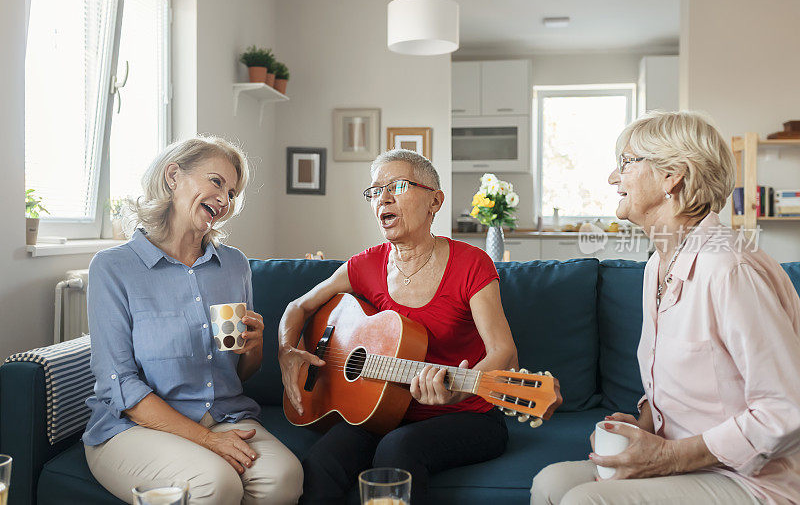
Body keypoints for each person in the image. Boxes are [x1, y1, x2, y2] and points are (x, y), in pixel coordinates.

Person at [531, 111, 800, 505]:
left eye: (625, 162)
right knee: (551, 484)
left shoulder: (728, 269)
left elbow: (785, 408)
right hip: (690, 464)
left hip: (754, 478)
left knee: (583, 501)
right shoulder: (660, 262)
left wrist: (667, 456)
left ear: (672, 175)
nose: (612, 177)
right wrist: (644, 425)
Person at [278, 149, 518, 504]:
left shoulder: (472, 264)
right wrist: (286, 351)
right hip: (384, 411)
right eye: (375, 191)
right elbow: (298, 307)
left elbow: (505, 353)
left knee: (398, 450)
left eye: (399, 186)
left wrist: (456, 391)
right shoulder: (364, 265)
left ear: (435, 201)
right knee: (320, 463)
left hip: (468, 415)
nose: (383, 199)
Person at [83, 136, 303, 505]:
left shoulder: (234, 264)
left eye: (232, 192)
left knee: (285, 477)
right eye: (216, 181)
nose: (225, 199)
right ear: (173, 176)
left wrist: (253, 349)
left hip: (225, 416)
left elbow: (239, 372)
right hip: (135, 427)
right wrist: (207, 440)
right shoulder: (113, 268)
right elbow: (118, 384)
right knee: (216, 483)